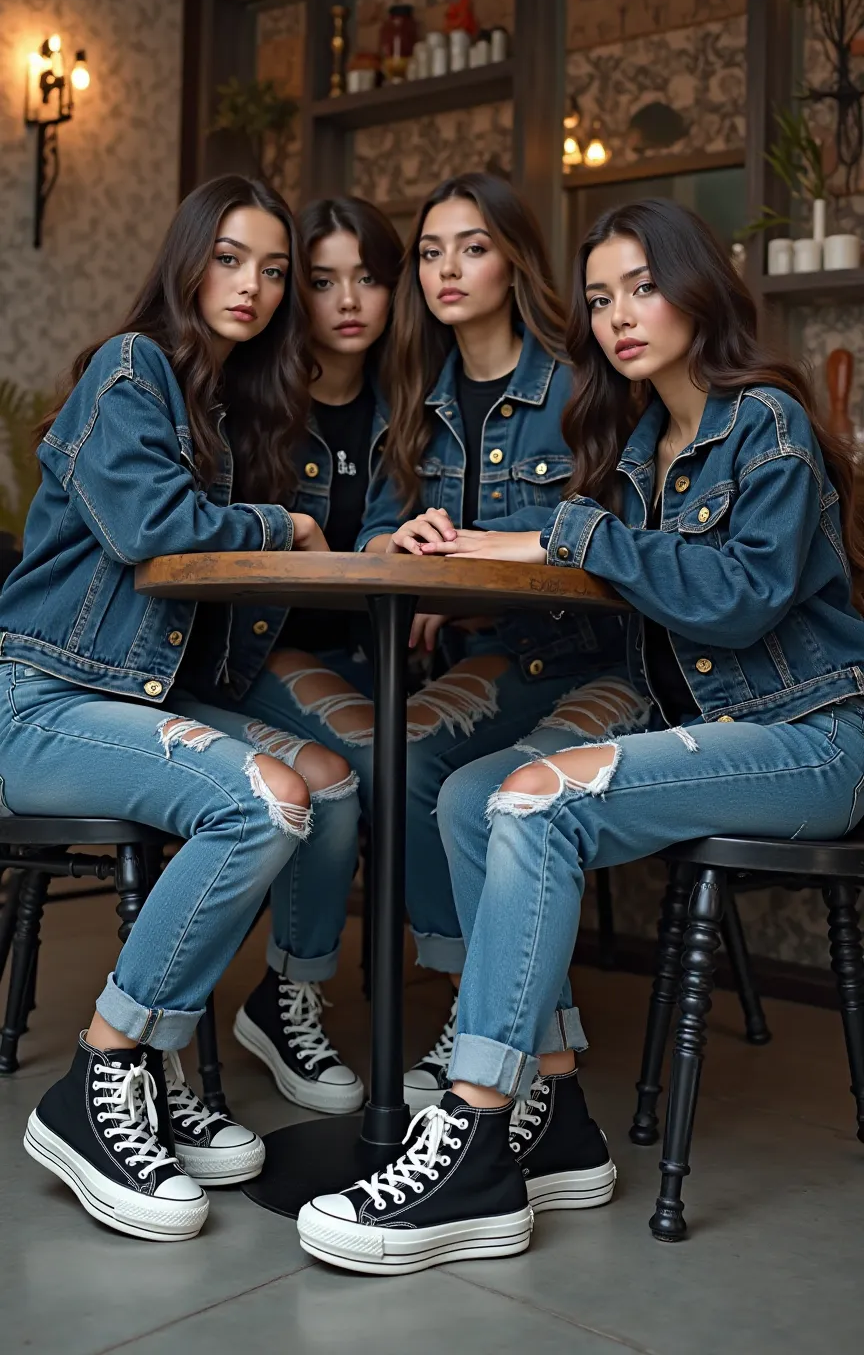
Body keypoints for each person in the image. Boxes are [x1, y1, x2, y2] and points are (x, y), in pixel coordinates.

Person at [296, 196, 864, 1274]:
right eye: (601, 298)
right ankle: (553, 1110)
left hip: (810, 737)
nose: (618, 317)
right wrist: (485, 547)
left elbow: (740, 598)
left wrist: (573, 528)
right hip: (703, 733)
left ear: (698, 286)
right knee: (468, 797)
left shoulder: (765, 418)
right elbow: (586, 553)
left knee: (531, 799)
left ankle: (469, 1141)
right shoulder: (643, 438)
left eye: (644, 288)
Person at [0, 174, 362, 1241]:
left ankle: (228, 1030)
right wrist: (285, 527)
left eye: (273, 269)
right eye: (230, 258)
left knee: (332, 785)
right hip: (45, 702)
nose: (251, 285)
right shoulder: (130, 368)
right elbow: (154, 529)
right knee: (262, 802)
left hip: (134, 699)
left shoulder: (227, 410)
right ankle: (102, 1076)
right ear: (187, 260)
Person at [255, 172, 646, 1118]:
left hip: (596, 655)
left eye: (470, 247)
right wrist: (410, 548)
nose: (446, 270)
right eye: (430, 252)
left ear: (514, 259)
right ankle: (467, 998)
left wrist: (498, 547)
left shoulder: (582, 375)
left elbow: (630, 528)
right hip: (505, 652)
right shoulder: (414, 398)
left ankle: (479, 1019)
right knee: (409, 749)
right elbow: (395, 529)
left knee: (460, 779)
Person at [226, 195, 401, 1110]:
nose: (347, 301)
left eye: (369, 278)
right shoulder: (255, 399)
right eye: (323, 279)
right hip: (263, 652)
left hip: (383, 652)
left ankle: (487, 1020)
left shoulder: (412, 404)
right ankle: (288, 994)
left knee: (441, 761)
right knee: (369, 756)